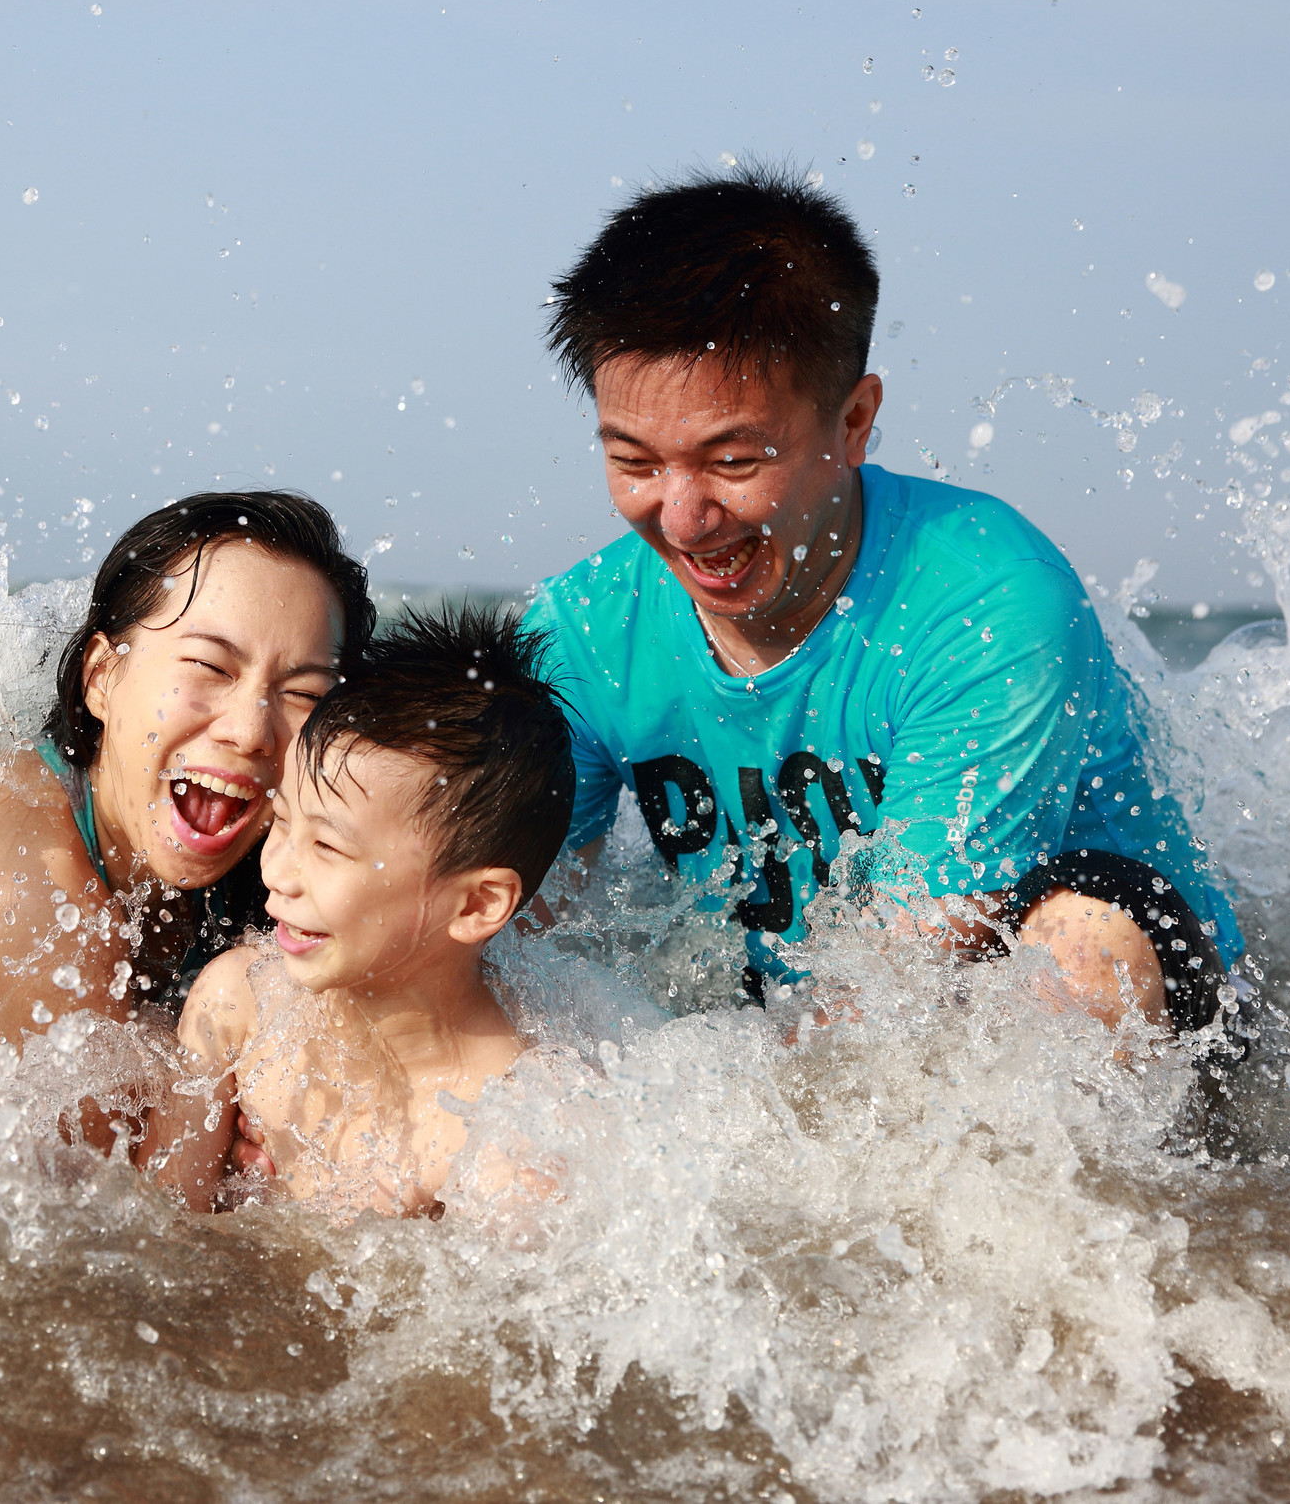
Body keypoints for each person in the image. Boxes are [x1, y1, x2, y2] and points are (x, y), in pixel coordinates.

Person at [522, 163, 1241, 1033]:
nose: (681, 517)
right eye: (634, 462)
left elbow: (909, 971)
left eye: (734, 462)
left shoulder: (987, 605)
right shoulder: (583, 634)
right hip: (786, 1013)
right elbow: (515, 929)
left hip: (1118, 998)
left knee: (1077, 944)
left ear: (856, 420)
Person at [149, 606, 576, 1215]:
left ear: (477, 904)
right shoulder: (239, 1003)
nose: (277, 872)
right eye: (283, 822)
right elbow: (155, 1235)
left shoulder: (510, 1133)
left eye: (326, 846)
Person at [0, 491, 375, 1050]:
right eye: (210, 665)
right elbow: (81, 1136)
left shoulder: (292, 855)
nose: (252, 731)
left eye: (304, 693)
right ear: (101, 679)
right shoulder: (15, 880)